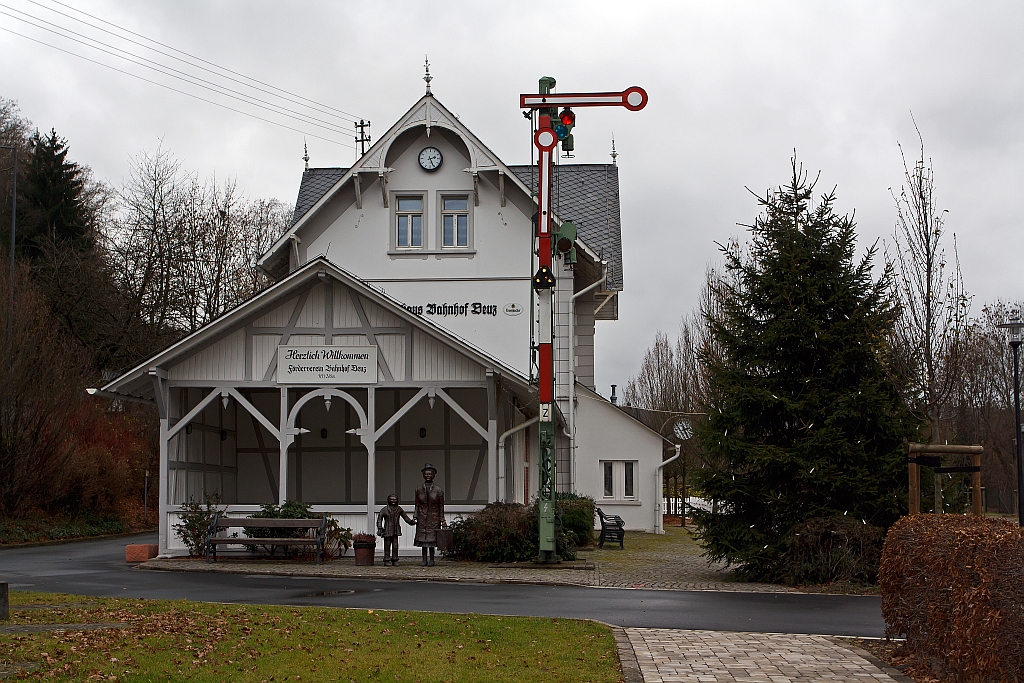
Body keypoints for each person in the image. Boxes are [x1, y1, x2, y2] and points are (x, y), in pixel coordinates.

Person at [413, 463, 445, 566]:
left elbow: (441, 506)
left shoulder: (438, 490)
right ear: (423, 475)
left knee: (432, 540)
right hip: (422, 517)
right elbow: (417, 504)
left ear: (433, 475)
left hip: (434, 518)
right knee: (423, 540)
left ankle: (432, 559)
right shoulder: (418, 489)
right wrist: (415, 516)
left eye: (430, 474)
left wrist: (442, 519)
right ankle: (423, 559)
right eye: (426, 474)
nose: (428, 475)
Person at [376, 494, 414, 566]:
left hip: (396, 530)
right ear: (388, 500)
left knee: (395, 546)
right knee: (387, 546)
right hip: (387, 530)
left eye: (395, 499)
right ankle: (386, 559)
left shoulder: (399, 509)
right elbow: (379, 520)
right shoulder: (384, 510)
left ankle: (395, 559)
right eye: (392, 499)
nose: (393, 501)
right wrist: (380, 528)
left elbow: (405, 517)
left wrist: (411, 522)